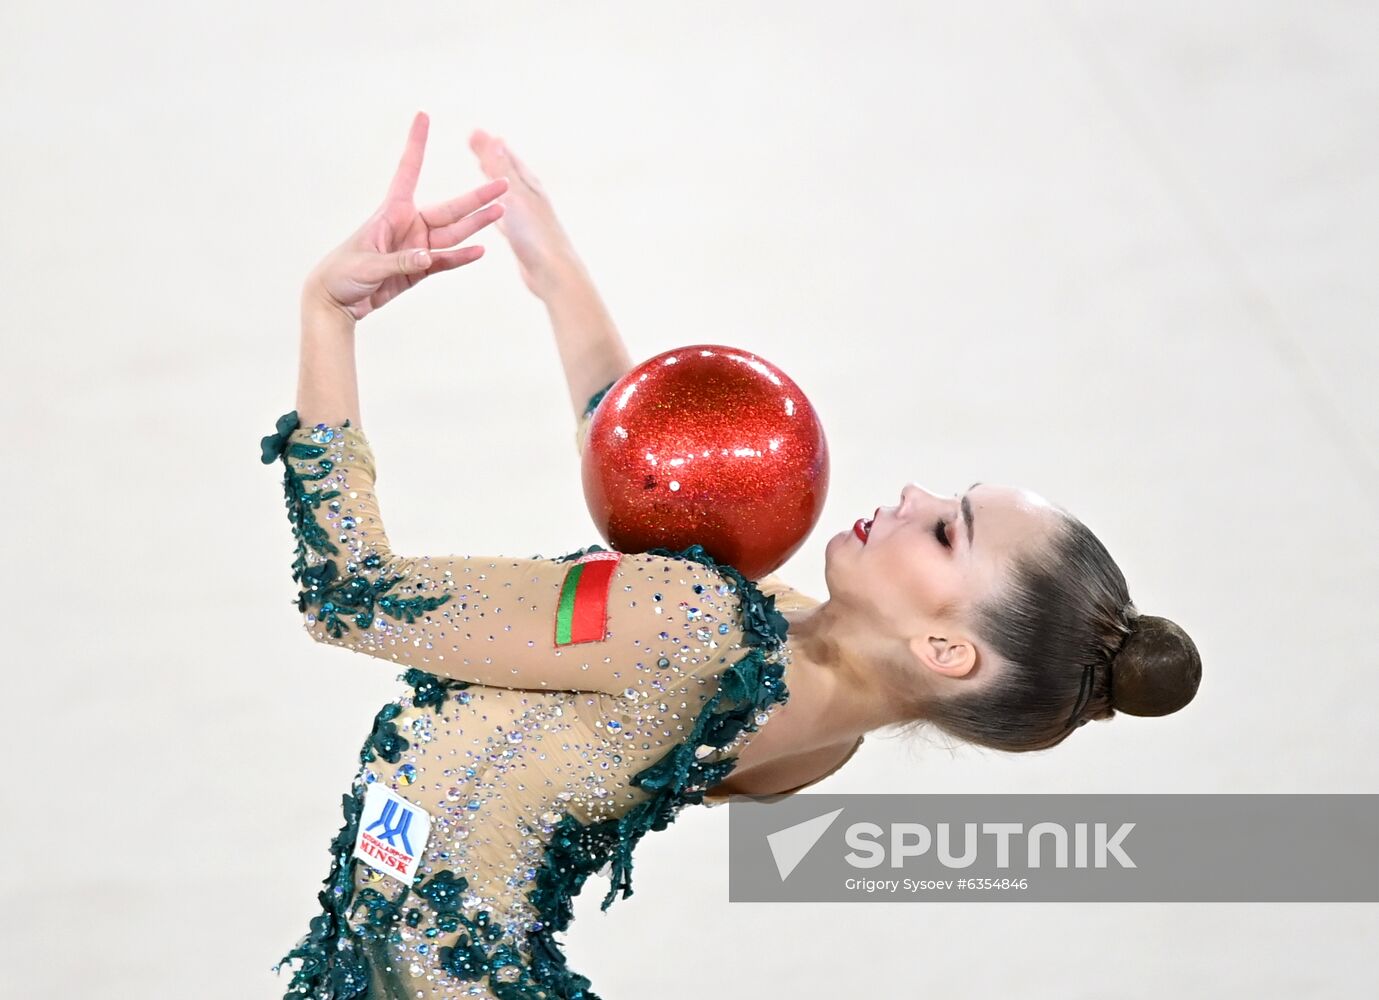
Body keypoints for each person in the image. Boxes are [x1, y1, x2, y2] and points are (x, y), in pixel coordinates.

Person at [262, 112, 1202, 1000]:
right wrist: (556, 273)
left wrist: (325, 313)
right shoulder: (815, 736)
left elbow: (351, 596)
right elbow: (646, 473)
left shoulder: (695, 624)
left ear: (949, 651)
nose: (913, 496)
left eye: (949, 529)